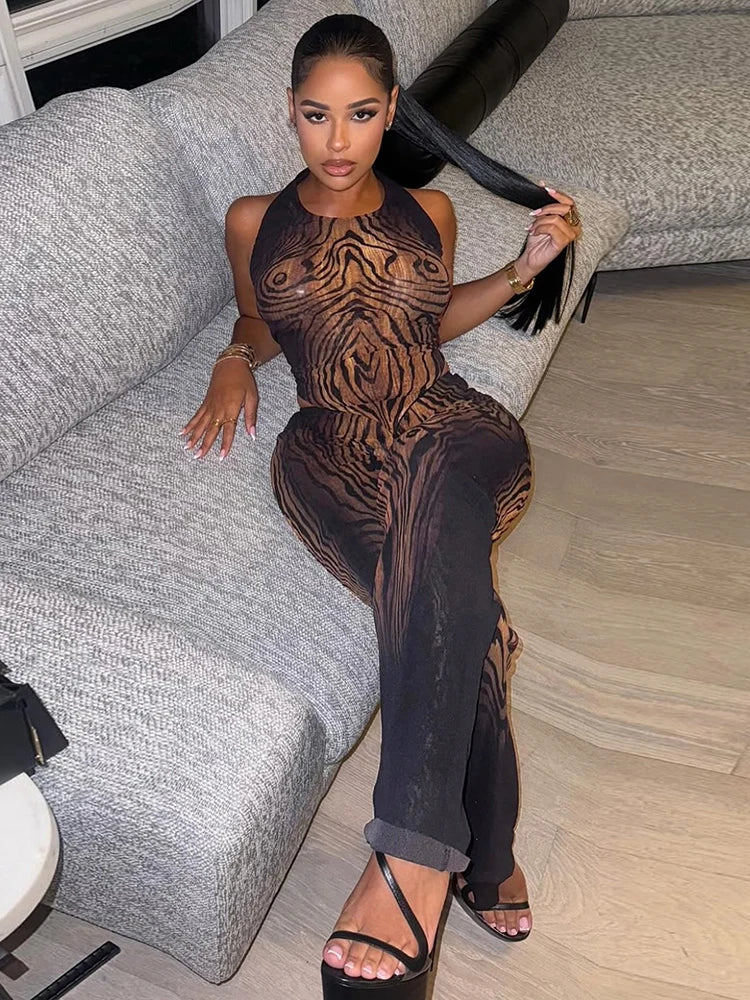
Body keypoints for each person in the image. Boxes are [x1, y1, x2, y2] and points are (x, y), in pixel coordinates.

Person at [179, 13, 581, 998]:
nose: (338, 138)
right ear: (290, 112)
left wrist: (525, 270)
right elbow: (261, 316)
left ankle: (412, 850)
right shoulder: (252, 220)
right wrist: (234, 358)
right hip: (328, 450)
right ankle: (486, 851)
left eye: (361, 114)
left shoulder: (429, 213)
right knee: (464, 627)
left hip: (450, 424)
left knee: (439, 475)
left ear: (392, 110)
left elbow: (430, 325)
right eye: (317, 114)